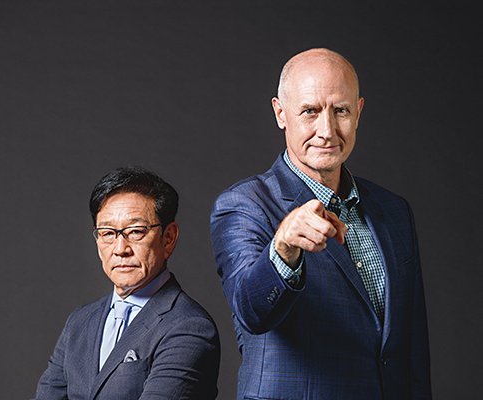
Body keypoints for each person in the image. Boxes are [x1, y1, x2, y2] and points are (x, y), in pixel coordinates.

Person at [210, 48, 431, 399]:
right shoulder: (244, 205)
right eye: (310, 111)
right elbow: (252, 312)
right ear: (280, 113)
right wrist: (283, 249)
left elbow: (411, 346)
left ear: (358, 112)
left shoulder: (394, 211)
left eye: (340, 110)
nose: (326, 131)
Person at [35, 166, 220, 400]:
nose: (120, 249)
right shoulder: (80, 322)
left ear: (168, 238)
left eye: (135, 231)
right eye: (108, 233)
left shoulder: (190, 327)